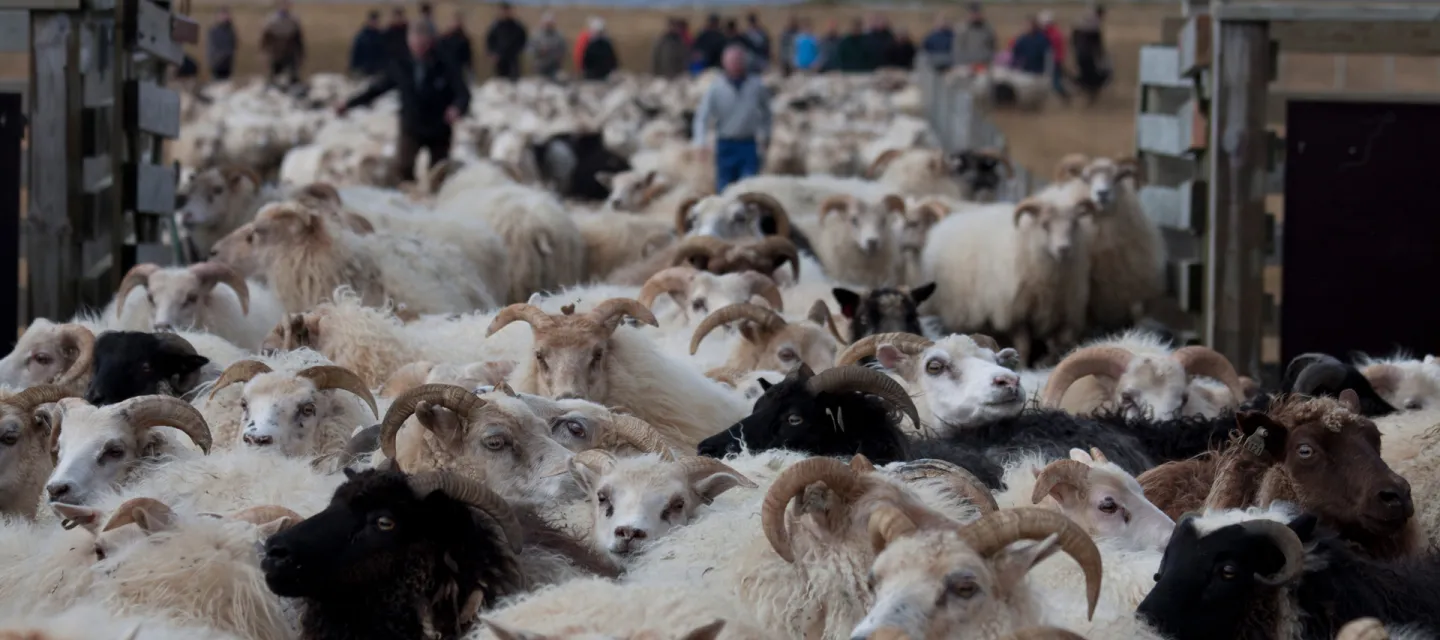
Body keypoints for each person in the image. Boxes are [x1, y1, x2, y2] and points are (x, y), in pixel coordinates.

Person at [337, 21, 470, 185]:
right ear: (409, 41)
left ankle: (436, 203)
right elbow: (376, 89)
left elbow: (463, 93)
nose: (418, 47)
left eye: (422, 43)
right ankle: (407, 201)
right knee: (403, 168)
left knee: (438, 173)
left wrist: (457, 108)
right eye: (415, 43)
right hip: (412, 126)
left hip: (439, 128)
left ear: (431, 42)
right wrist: (349, 104)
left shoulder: (446, 64)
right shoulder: (401, 65)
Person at [692, 45, 770, 192]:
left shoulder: (756, 85)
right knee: (724, 187)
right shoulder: (716, 87)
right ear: (725, 63)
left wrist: (766, 134)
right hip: (726, 144)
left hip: (748, 143)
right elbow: (702, 116)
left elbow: (766, 112)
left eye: (739, 60)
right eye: (732, 61)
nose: (736, 64)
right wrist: (700, 142)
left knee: (749, 187)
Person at [1071, 4, 1111, 104]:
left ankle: (1085, 93)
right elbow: (1098, 44)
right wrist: (1101, 55)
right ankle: (1089, 94)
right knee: (1092, 77)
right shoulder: (1095, 26)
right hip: (1088, 55)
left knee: (1085, 75)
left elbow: (1074, 39)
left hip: (1081, 54)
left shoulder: (1082, 25)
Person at [259, 0, 304, 86]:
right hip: (275, 55)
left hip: (290, 55)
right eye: (283, 4)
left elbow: (299, 40)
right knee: (273, 80)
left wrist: (300, 54)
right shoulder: (271, 20)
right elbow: (264, 40)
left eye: (287, 4)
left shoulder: (294, 20)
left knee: (292, 80)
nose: (285, 6)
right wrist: (264, 54)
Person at [485, 2, 527, 81]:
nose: (505, 13)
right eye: (503, 10)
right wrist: (492, 53)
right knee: (500, 81)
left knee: (514, 81)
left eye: (507, 10)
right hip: (500, 58)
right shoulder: (495, 26)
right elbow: (489, 41)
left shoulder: (517, 26)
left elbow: (523, 40)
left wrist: (518, 50)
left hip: (513, 59)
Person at [954, 2, 997, 71]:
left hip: (984, 65)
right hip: (967, 66)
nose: (976, 15)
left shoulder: (987, 29)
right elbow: (958, 50)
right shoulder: (962, 29)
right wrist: (966, 64)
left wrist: (987, 61)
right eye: (974, 13)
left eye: (978, 12)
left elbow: (992, 46)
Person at [1039, 11, 1070, 104]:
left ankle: (1066, 97)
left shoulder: (1053, 34)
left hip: (1055, 61)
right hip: (1053, 60)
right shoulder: (1052, 32)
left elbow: (1049, 48)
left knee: (1055, 83)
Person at [348, 11, 387, 78]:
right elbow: (355, 53)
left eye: (376, 21)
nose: (374, 23)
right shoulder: (362, 37)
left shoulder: (381, 37)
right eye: (373, 20)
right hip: (363, 70)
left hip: (378, 71)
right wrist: (353, 68)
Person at [530, 11, 566, 80]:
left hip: (555, 68)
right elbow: (531, 49)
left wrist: (555, 53)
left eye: (551, 23)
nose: (549, 25)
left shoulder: (559, 35)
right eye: (547, 23)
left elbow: (563, 50)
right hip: (540, 68)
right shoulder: (536, 35)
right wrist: (540, 50)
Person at [206, 6, 238, 81]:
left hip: (227, 63)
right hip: (217, 63)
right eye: (223, 15)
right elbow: (212, 47)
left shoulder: (230, 30)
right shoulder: (214, 30)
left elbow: (234, 44)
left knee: (226, 83)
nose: (226, 17)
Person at [438, 11, 473, 78]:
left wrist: (469, 67)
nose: (456, 23)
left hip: (459, 67)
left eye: (458, 21)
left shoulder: (464, 39)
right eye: (455, 21)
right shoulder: (445, 37)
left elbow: (467, 55)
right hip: (447, 67)